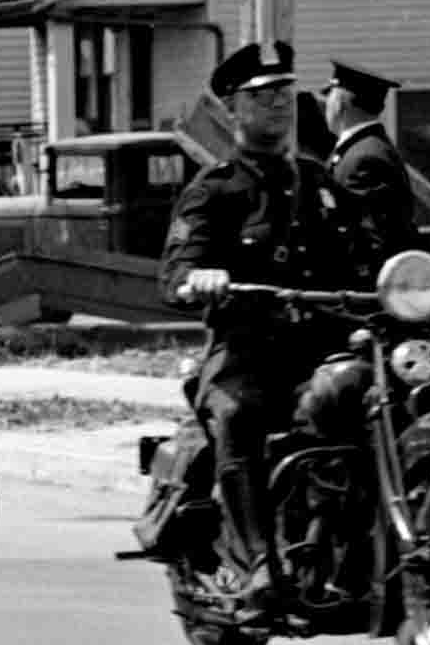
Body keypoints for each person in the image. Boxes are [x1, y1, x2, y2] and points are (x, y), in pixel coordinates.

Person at [155, 42, 371, 606]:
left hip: (318, 350)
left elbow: (370, 260)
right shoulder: (215, 190)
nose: (278, 104)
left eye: (284, 93)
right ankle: (256, 561)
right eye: (262, 96)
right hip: (247, 350)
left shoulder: (322, 185)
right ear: (234, 108)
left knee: (374, 399)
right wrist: (198, 279)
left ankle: (360, 546)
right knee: (235, 413)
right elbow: (176, 269)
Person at [323, 60, 419, 263]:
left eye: (329, 94)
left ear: (341, 102)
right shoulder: (368, 148)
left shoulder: (364, 158)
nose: (326, 104)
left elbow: (370, 238)